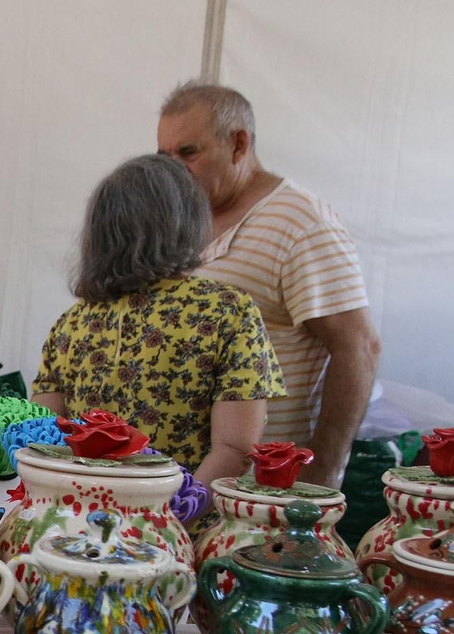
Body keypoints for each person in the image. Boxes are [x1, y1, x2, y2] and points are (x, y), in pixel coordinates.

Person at [158, 81, 381, 487]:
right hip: (183, 482)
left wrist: (323, 470)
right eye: (165, 155)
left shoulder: (301, 223)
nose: (174, 168)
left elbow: (359, 347)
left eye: (188, 152)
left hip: (260, 492)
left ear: (239, 145)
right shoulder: (183, 219)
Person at [31, 153, 284, 485]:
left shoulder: (70, 325)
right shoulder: (228, 311)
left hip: (83, 523)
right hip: (181, 530)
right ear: (188, 221)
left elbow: (43, 445)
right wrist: (169, 514)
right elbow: (235, 450)